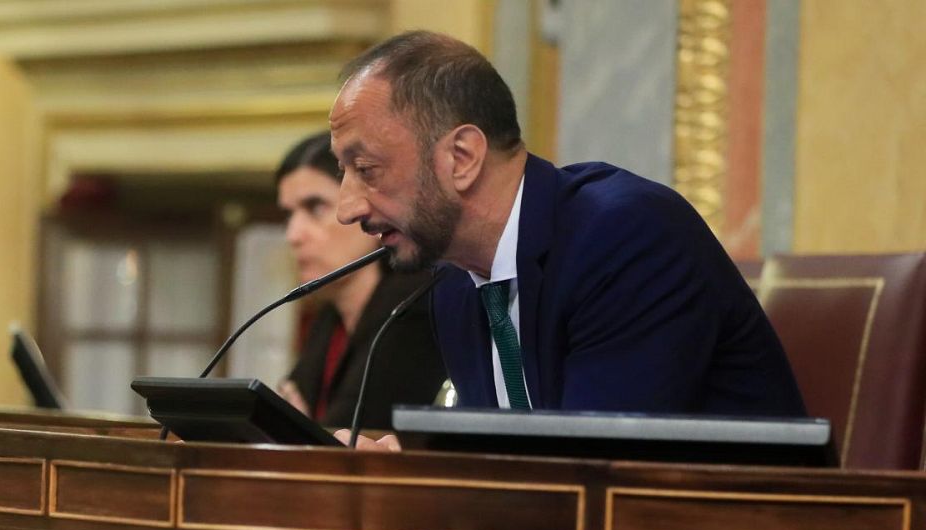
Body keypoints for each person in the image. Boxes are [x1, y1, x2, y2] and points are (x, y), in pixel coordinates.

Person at [327, 30, 805, 438]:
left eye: (367, 169)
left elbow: (594, 471)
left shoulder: (627, 238)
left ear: (462, 158)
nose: (347, 208)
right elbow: (503, 466)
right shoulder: (454, 285)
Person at [273, 131, 448, 429]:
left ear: (364, 208)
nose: (294, 235)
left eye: (315, 208)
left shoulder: (411, 310)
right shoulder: (329, 319)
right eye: (289, 215)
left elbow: (349, 443)